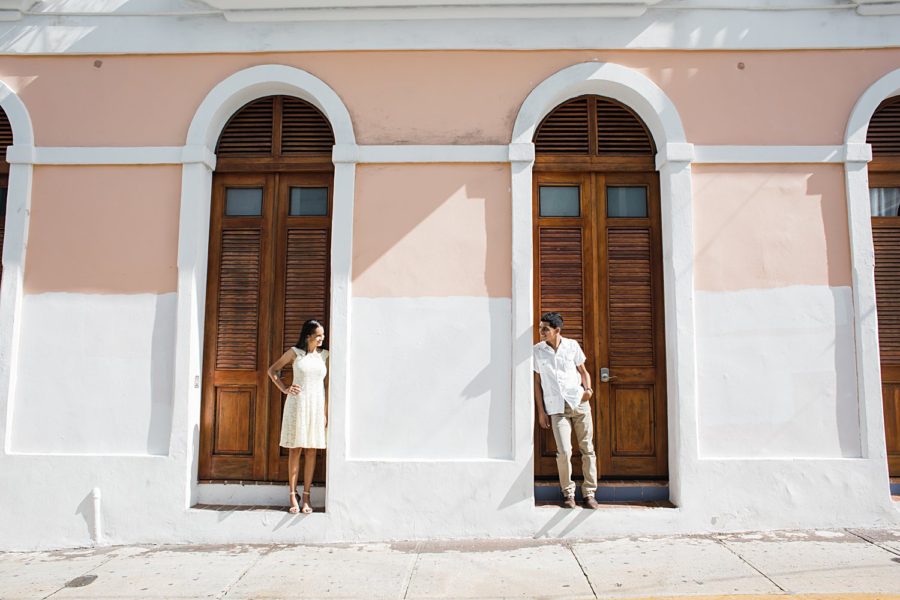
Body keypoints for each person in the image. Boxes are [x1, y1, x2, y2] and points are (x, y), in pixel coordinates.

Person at [533, 312, 599, 509]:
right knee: (563, 451)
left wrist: (588, 390)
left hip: (579, 403)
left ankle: (589, 493)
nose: (541, 331)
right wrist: (541, 412)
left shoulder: (571, 346)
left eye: (545, 328)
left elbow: (583, 371)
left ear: (557, 331)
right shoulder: (537, 351)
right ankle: (568, 493)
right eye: (540, 327)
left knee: (587, 449)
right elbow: (537, 382)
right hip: (556, 408)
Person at [267, 319, 329, 514]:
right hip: (298, 404)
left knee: (311, 450)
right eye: (318, 335)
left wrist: (325, 412)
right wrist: (285, 388)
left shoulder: (325, 356)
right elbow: (272, 370)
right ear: (308, 336)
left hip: (316, 406)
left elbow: (327, 386)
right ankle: (293, 495)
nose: (322, 339)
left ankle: (307, 496)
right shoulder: (296, 353)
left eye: (323, 335)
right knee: (296, 449)